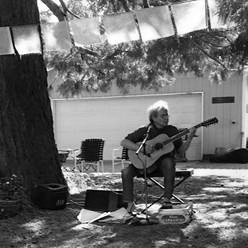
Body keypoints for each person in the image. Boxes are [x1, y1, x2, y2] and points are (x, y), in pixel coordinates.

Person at [120, 100, 196, 213]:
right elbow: (124, 142)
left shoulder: (172, 130)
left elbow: (180, 151)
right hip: (143, 163)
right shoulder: (145, 131)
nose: (166, 118)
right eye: (163, 115)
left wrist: (189, 139)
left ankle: (166, 200)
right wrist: (141, 148)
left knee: (168, 161)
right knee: (126, 171)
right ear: (154, 118)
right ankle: (130, 204)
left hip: (162, 166)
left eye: (167, 115)